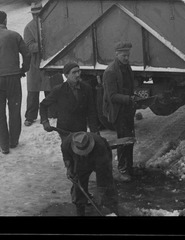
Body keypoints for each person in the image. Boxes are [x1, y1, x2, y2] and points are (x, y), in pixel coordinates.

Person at [0, 10, 31, 154]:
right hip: (13, 78)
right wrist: (23, 69)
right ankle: (14, 141)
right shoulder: (14, 35)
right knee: (14, 110)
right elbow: (27, 54)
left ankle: (3, 145)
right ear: (5, 20)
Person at [103, 40, 141, 182]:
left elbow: (128, 87)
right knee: (123, 140)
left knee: (130, 139)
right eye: (124, 55)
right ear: (117, 54)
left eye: (128, 55)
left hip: (127, 109)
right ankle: (122, 170)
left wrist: (133, 97)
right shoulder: (111, 72)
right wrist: (129, 99)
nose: (126, 58)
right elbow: (111, 96)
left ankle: (129, 167)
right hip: (118, 111)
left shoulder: (126, 67)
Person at [40, 60, 100, 144]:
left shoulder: (86, 88)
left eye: (79, 71)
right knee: (68, 153)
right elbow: (43, 105)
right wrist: (45, 121)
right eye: (74, 72)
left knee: (81, 151)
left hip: (81, 129)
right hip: (64, 130)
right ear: (66, 75)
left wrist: (95, 131)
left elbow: (91, 111)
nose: (77, 75)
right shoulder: (59, 90)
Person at [62, 131, 118, 217]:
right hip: (80, 160)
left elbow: (102, 172)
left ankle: (112, 208)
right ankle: (80, 208)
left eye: (85, 150)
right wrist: (69, 168)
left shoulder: (100, 146)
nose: (84, 153)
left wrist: (100, 192)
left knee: (107, 182)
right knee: (79, 182)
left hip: (100, 157)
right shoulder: (67, 143)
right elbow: (66, 155)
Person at [22, 16, 46, 127]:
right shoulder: (29, 28)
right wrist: (43, 45)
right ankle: (30, 116)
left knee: (52, 89)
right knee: (33, 91)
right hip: (35, 63)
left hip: (49, 61)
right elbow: (28, 47)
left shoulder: (49, 23)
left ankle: (52, 112)